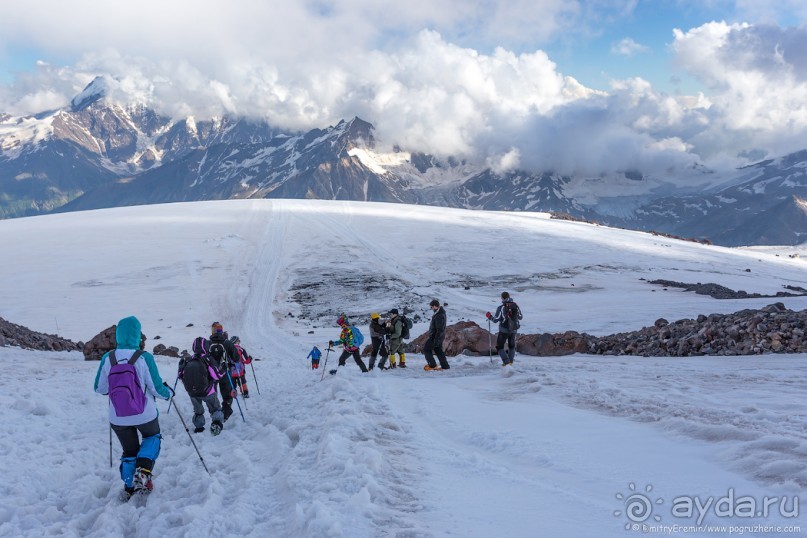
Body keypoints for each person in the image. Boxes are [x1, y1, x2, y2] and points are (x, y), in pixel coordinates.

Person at [93, 316, 171, 500]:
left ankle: (129, 486)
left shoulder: (108, 358)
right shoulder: (143, 358)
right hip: (144, 413)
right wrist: (168, 394)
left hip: (118, 416)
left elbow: (99, 388)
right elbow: (156, 387)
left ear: (118, 334)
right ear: (137, 334)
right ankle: (143, 471)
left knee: (129, 451)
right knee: (152, 437)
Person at [178, 336, 225, 435]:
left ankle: (199, 427)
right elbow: (217, 376)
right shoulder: (208, 359)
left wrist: (181, 366)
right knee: (215, 408)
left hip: (192, 392)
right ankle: (216, 425)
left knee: (198, 411)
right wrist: (223, 369)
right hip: (208, 391)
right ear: (207, 346)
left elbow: (180, 376)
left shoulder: (189, 359)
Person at [208, 321, 240, 421]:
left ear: (212, 331)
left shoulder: (208, 343)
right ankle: (226, 411)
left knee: (212, 393)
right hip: (225, 371)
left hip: (212, 373)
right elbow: (236, 358)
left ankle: (215, 413)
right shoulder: (227, 342)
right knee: (227, 393)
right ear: (221, 330)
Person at [486, 291, 523, 366]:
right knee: (511, 346)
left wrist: (489, 316)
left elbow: (495, 320)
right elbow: (520, 317)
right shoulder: (515, 306)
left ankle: (506, 363)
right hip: (513, 330)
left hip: (504, 330)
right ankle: (510, 363)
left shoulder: (501, 307)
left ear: (502, 298)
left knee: (499, 347)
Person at [424, 299, 450, 370]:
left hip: (435, 337)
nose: (431, 308)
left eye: (431, 307)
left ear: (435, 306)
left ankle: (432, 365)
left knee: (426, 349)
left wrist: (436, 339)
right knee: (438, 350)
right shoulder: (440, 312)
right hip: (438, 336)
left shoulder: (439, 315)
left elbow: (440, 329)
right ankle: (445, 366)